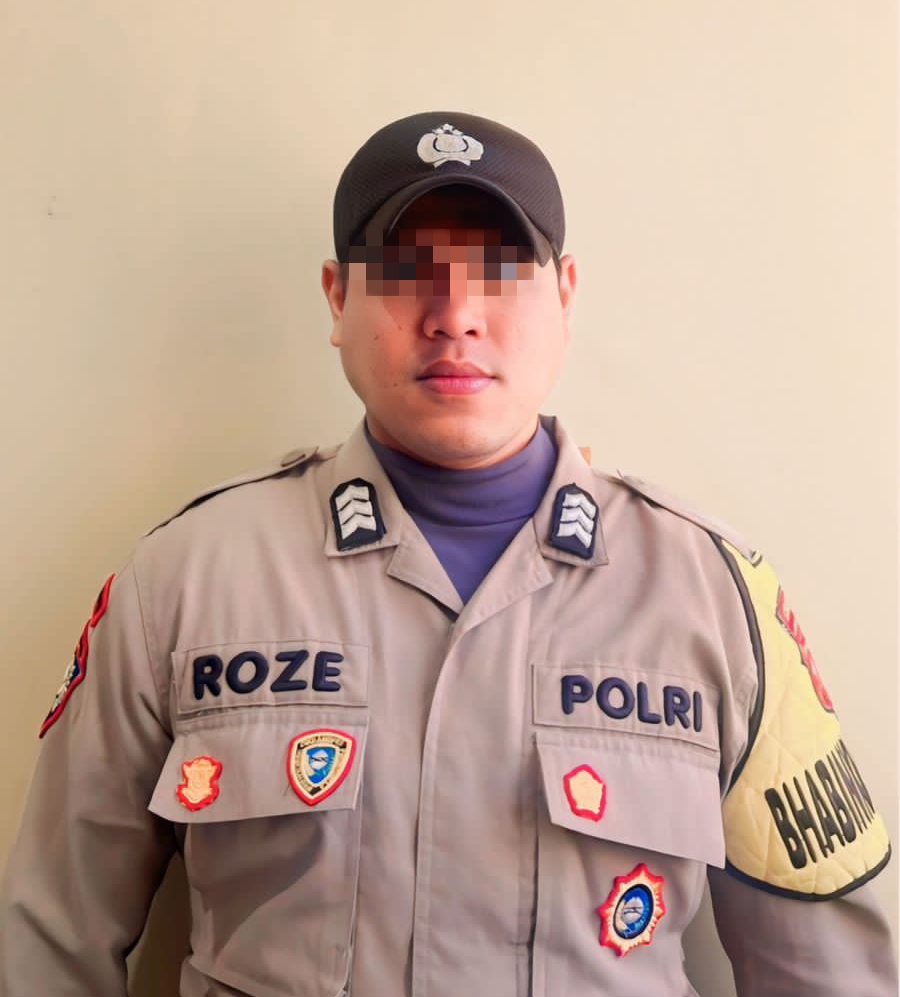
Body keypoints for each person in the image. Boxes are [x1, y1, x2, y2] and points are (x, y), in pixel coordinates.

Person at [0, 110, 895, 997]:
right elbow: (47, 938)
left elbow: (830, 972)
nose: (456, 315)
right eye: (405, 271)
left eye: (500, 272)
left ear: (566, 294)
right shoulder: (184, 580)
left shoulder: (716, 596)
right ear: (337, 298)